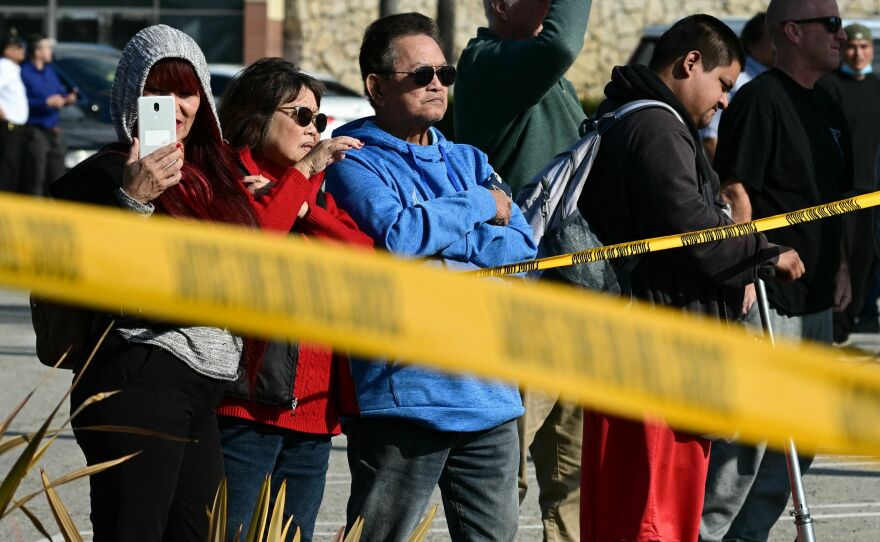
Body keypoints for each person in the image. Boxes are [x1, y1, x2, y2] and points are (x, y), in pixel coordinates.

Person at [576, 14, 804, 542]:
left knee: (629, 514)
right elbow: (690, 229)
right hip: (658, 361)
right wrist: (767, 254)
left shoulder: (629, 116)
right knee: (655, 519)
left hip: (634, 351)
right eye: (723, 85)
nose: (724, 102)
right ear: (690, 62)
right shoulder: (656, 126)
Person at [324, 12, 537, 542]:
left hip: (492, 395)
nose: (438, 84)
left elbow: (525, 251)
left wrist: (446, 234)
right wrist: (484, 204)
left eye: (445, 74)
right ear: (376, 86)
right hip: (406, 397)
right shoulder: (357, 159)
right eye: (421, 75)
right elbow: (400, 237)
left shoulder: (470, 157)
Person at [50, 24, 262, 541]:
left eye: (186, 91)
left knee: (196, 532)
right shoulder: (100, 178)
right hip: (137, 376)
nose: (175, 106)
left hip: (202, 386)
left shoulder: (213, 176)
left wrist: (235, 209)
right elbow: (100, 282)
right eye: (157, 92)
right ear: (131, 97)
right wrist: (134, 202)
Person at [700, 1, 852, 540]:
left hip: (814, 297)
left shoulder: (829, 104)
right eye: (830, 24)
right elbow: (734, 189)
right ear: (792, 31)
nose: (841, 34)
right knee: (750, 441)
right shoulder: (758, 101)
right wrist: (744, 266)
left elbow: (832, 199)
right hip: (769, 295)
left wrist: (840, 267)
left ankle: (748, 536)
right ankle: (709, 534)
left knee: (799, 442)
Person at [215, 57, 371, 542]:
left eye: (319, 119)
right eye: (301, 116)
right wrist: (303, 174)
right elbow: (259, 240)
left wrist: (305, 208)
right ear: (257, 115)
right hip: (246, 406)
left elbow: (363, 255)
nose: (314, 129)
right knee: (233, 533)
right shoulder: (227, 177)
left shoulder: (312, 192)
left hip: (315, 412)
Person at [455, 2, 590, 538]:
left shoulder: (536, 71)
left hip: (570, 299)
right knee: (501, 476)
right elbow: (562, 42)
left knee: (572, 482)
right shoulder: (488, 62)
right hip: (522, 306)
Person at [455, 0, 591, 196]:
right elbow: (561, 45)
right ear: (501, 7)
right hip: (527, 224)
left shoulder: (542, 75)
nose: (551, 6)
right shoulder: (483, 62)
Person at [818, 23, 880, 343]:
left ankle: (852, 318)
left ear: (871, 50)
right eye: (852, 47)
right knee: (839, 260)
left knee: (866, 262)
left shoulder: (876, 86)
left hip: (873, 190)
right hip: (842, 190)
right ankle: (836, 325)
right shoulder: (829, 86)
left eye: (864, 47)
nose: (858, 53)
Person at [700, 12, 774, 162]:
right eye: (772, 36)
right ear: (753, 43)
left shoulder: (775, 80)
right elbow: (711, 138)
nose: (779, 43)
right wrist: (726, 182)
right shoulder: (736, 80)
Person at [20, 34, 77, 196]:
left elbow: (59, 92)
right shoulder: (24, 73)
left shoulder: (50, 72)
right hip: (35, 130)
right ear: (37, 52)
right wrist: (45, 103)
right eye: (47, 48)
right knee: (35, 177)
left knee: (58, 177)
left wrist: (67, 99)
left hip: (54, 130)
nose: (50, 51)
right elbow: (20, 104)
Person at [0, 27, 27, 192]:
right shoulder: (4, 66)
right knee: (7, 170)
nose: (22, 50)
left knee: (13, 171)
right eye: (18, 47)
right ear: (7, 50)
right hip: (8, 127)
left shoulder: (12, 68)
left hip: (16, 129)